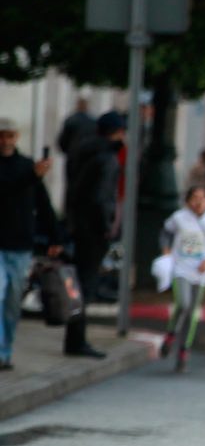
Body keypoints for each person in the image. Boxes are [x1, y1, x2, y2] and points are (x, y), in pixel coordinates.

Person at [61, 113, 125, 358]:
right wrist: (106, 226)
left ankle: (74, 337)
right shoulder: (107, 158)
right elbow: (101, 197)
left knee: (78, 283)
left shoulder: (80, 151)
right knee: (86, 285)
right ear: (117, 132)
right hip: (93, 231)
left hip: (77, 224)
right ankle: (77, 340)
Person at [0, 120, 61, 371]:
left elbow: (43, 204)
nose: (6, 141)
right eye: (2, 136)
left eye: (10, 136)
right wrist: (31, 177)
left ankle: (5, 350)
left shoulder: (27, 167)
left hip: (20, 244)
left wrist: (56, 237)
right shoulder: (28, 172)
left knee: (13, 300)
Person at [157, 185, 205, 373]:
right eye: (194, 198)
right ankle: (171, 334)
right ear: (188, 200)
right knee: (183, 303)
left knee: (192, 312)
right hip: (180, 267)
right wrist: (165, 249)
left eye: (202, 198)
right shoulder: (179, 218)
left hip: (200, 272)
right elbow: (166, 233)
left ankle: (183, 349)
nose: (198, 202)